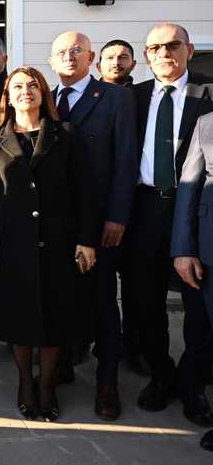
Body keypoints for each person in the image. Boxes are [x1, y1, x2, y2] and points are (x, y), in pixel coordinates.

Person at [0, 66, 97, 422]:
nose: (25, 90)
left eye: (33, 85)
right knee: (18, 313)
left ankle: (46, 383)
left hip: (59, 242)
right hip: (12, 241)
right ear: (9, 97)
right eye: (17, 86)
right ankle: (24, 381)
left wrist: (86, 240)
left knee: (54, 313)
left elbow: (83, 192)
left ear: (43, 93)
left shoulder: (65, 134)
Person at [124, 24, 213, 425]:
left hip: (197, 210)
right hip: (144, 210)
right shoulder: (133, 96)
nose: (164, 53)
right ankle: (161, 375)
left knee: (199, 304)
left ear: (189, 49)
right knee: (145, 302)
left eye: (172, 45)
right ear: (146, 56)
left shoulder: (210, 94)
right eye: (154, 47)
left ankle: (193, 382)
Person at [48, 31, 137, 421]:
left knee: (103, 301)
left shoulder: (116, 98)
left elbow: (126, 161)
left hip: (101, 222)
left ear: (92, 58)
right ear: (52, 61)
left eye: (76, 50)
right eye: (61, 52)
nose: (69, 56)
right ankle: (65, 360)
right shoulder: (46, 99)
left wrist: (118, 215)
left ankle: (107, 381)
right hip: (55, 223)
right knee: (63, 296)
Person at [96, 39, 147, 378]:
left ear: (133, 63)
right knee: (98, 286)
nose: (117, 62)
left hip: (137, 206)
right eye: (110, 58)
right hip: (100, 209)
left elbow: (128, 158)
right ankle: (96, 344)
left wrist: (119, 214)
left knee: (135, 286)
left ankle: (134, 345)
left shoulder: (142, 96)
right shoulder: (88, 97)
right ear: (98, 63)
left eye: (123, 57)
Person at [171, 112, 213, 451]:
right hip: (209, 249)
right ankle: (193, 389)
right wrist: (183, 249)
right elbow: (189, 186)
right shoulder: (207, 123)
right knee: (201, 326)